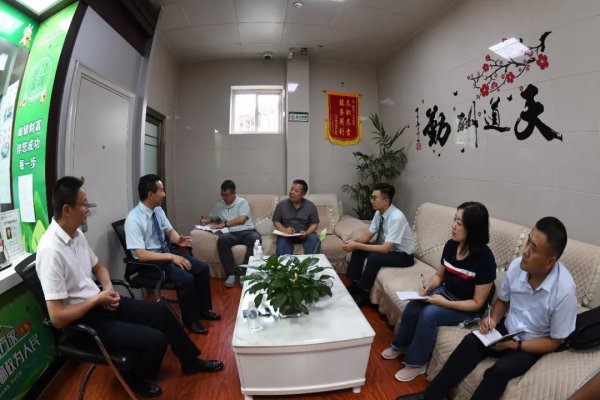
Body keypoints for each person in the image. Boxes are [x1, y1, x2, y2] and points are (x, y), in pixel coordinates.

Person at [36, 177, 224, 398]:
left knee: (162, 312)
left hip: (102, 302)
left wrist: (107, 288)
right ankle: (134, 379)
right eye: (84, 204)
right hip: (84, 321)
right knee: (156, 340)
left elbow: (99, 267)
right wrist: (97, 299)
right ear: (68, 209)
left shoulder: (75, 234)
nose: (88, 210)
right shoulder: (51, 250)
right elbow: (58, 318)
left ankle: (190, 362)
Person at [398, 217, 577, 400]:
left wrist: (516, 345)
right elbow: (502, 301)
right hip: (509, 329)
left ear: (549, 262)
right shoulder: (517, 267)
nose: (525, 251)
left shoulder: (564, 291)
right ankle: (429, 397)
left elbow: (555, 342)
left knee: (498, 371)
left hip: (533, 343)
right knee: (471, 342)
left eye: (534, 249)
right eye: (528, 242)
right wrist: (492, 319)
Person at [382, 202, 496, 382]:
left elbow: (477, 303)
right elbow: (439, 275)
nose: (453, 225)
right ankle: (401, 345)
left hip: (468, 307)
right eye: (454, 220)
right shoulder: (451, 245)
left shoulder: (485, 259)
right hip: (446, 292)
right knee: (414, 304)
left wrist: (444, 303)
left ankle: (417, 364)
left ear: (473, 229)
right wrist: (428, 287)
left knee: (429, 314)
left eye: (459, 223)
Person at [125, 174, 220, 335]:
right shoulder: (133, 219)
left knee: (202, 268)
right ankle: (190, 320)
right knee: (186, 278)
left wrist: (178, 240)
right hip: (150, 264)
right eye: (161, 191)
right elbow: (141, 255)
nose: (164, 194)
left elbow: (169, 230)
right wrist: (172, 257)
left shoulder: (158, 210)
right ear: (150, 194)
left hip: (167, 253)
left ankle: (203, 309)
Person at [343, 183, 415, 306]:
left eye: (374, 198)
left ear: (386, 201)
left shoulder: (397, 217)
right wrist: (353, 242)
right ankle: (355, 284)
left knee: (374, 257)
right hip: (390, 250)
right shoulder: (379, 213)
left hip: (403, 256)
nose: (371, 201)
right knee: (359, 250)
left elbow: (385, 249)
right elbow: (368, 235)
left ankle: (364, 292)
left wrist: (357, 245)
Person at [200, 180, 261, 288]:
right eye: (222, 194)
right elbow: (212, 217)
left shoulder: (242, 202)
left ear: (234, 193)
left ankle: (244, 273)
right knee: (222, 240)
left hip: (247, 231)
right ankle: (231, 274)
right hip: (231, 233)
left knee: (255, 238)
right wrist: (205, 221)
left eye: (226, 195)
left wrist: (224, 224)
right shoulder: (219, 205)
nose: (224, 197)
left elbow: (242, 219)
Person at [272, 179, 320, 256]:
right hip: (287, 235)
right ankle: (284, 263)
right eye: (291, 189)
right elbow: (276, 221)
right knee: (282, 242)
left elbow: (315, 224)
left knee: (313, 239)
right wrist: (285, 230)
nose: (292, 192)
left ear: (303, 194)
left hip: (304, 234)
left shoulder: (310, 206)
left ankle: (311, 263)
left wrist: (306, 233)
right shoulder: (281, 205)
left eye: (296, 191)